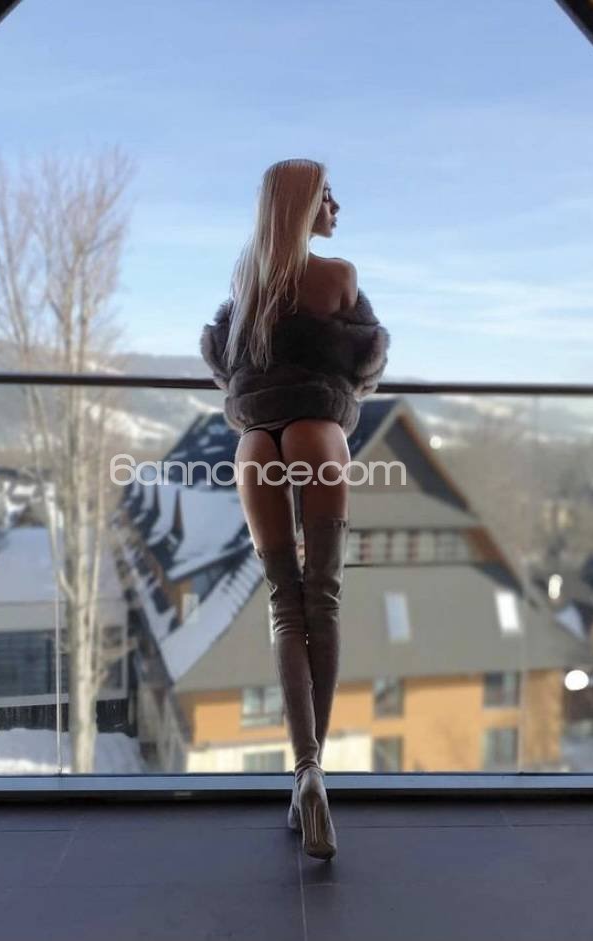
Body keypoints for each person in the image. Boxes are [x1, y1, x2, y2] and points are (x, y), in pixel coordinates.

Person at [199, 158, 390, 859]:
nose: (336, 208)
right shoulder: (338, 276)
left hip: (255, 442)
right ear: (306, 206)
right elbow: (366, 365)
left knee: (284, 605)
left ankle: (301, 768)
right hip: (318, 431)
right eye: (328, 197)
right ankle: (315, 777)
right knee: (323, 599)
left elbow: (225, 365)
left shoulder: (246, 284)